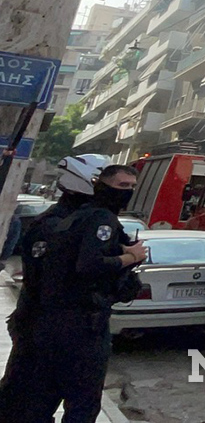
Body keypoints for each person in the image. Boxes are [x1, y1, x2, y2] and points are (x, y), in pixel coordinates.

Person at [21, 163, 147, 423]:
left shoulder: (77, 217)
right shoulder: (101, 219)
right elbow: (89, 265)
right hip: (82, 326)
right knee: (83, 403)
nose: (129, 191)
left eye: (132, 186)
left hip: (51, 324)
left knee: (45, 398)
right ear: (102, 185)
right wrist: (129, 256)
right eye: (123, 185)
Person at [0, 154, 108, 418]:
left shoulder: (85, 220)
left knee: (78, 406)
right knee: (24, 406)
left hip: (73, 331)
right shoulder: (57, 224)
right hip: (49, 331)